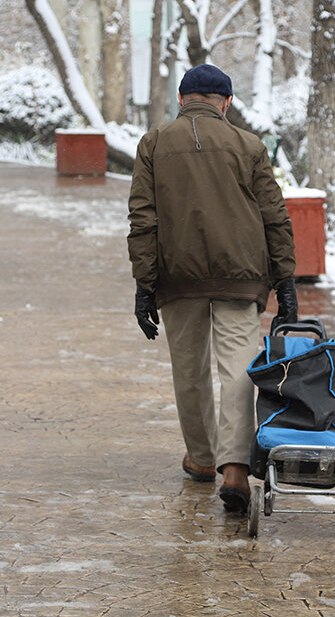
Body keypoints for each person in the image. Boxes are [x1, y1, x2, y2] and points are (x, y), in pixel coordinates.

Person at [127, 63, 298, 513]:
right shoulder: (249, 145)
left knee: (190, 370)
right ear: (226, 103)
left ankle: (202, 460)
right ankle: (236, 466)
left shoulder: (154, 143)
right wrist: (286, 282)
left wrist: (144, 285)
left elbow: (144, 220)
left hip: (177, 277)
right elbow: (274, 217)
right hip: (241, 277)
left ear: (182, 99)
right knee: (238, 369)